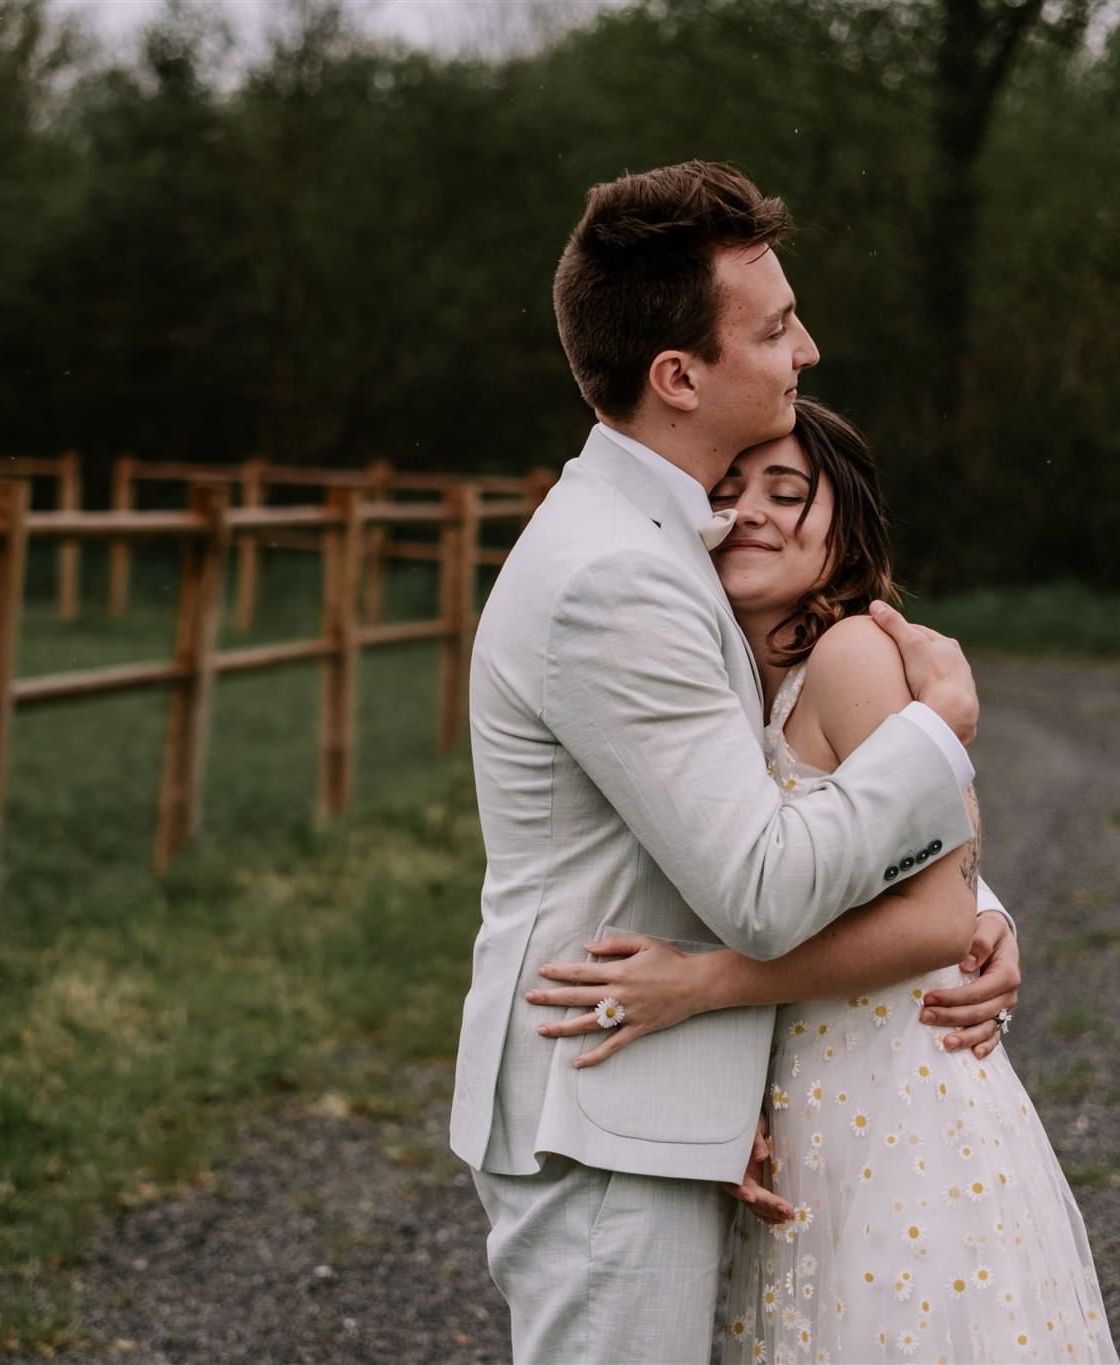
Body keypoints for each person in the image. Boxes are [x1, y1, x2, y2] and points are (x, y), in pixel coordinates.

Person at [450, 161, 1022, 1363]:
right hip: (604, 1102)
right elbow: (758, 888)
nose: (804, 348)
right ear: (678, 376)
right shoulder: (618, 576)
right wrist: (937, 733)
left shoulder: (666, 543)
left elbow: (768, 773)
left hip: (647, 1104)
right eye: (772, 328)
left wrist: (963, 901)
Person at [529, 399, 1120, 1363]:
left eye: (786, 490)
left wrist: (701, 985)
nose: (749, 509)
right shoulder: (733, 686)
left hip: (893, 1108)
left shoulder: (848, 656)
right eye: (727, 492)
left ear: (845, 530)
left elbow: (934, 915)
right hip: (804, 1105)